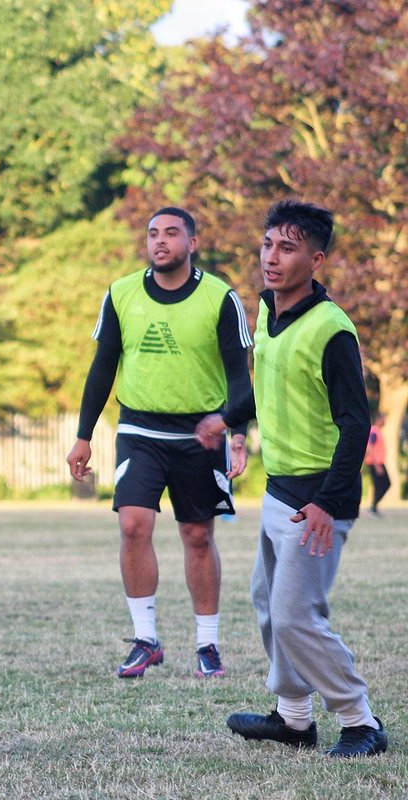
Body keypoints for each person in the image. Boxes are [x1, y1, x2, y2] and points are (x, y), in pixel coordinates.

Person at [197, 200, 387, 758]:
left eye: (288, 247)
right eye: (268, 245)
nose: (272, 258)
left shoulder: (333, 330)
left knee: (295, 614)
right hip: (281, 488)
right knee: (265, 601)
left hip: (319, 498)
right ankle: (294, 719)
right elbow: (268, 388)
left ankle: (360, 721)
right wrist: (229, 418)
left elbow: (357, 423)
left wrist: (329, 502)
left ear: (316, 259)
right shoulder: (269, 313)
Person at [65, 207, 253, 680]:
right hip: (138, 431)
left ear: (192, 242)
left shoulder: (221, 298)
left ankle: (207, 643)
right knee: (132, 525)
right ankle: (145, 640)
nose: (160, 241)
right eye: (153, 233)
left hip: (200, 434)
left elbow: (240, 378)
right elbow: (102, 368)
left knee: (197, 535)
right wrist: (83, 437)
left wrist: (237, 435)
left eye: (171, 233)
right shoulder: (121, 293)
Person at [364, 413, 390, 517]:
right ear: (378, 419)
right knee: (384, 484)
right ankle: (373, 507)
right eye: (383, 418)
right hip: (375, 463)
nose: (384, 421)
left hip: (378, 462)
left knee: (381, 485)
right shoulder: (374, 431)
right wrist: (376, 466)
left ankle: (374, 507)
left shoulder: (377, 431)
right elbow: (369, 448)